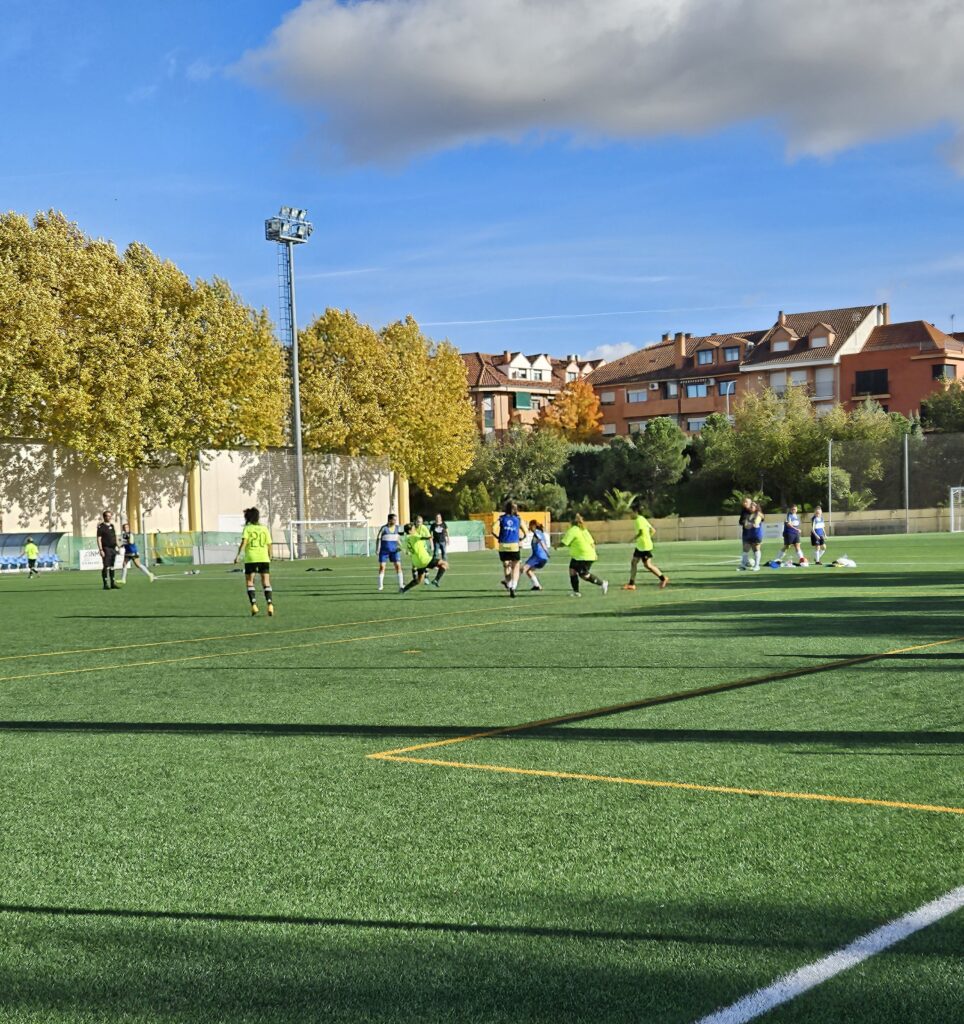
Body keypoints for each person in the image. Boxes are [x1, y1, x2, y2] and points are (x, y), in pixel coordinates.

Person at [233, 507, 274, 616]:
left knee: (250, 581)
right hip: (264, 558)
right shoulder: (264, 528)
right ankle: (270, 604)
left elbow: (244, 543)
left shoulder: (248, 528)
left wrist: (238, 556)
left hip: (251, 558)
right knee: (266, 581)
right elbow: (269, 544)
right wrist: (270, 555)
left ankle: (254, 605)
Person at [559, 513, 608, 597]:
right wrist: (594, 553)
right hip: (579, 556)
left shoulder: (573, 530)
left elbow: (564, 542)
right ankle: (576, 592)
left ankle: (602, 583)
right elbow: (592, 543)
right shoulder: (583, 529)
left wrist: (556, 545)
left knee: (584, 575)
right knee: (572, 571)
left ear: (571, 521)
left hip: (583, 556)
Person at [622, 506, 669, 590]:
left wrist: (632, 539)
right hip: (642, 546)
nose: (630, 515)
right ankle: (631, 584)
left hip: (644, 547)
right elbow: (653, 530)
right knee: (637, 563)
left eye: (631, 512)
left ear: (635, 512)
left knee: (646, 565)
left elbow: (641, 532)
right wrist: (648, 538)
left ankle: (663, 578)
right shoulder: (642, 519)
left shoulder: (638, 520)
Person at [400, 522, 448, 592]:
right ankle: (436, 580)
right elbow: (421, 537)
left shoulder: (406, 540)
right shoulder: (413, 536)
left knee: (419, 580)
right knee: (444, 564)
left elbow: (400, 548)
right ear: (410, 531)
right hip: (425, 559)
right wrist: (428, 537)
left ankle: (404, 589)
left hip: (417, 563)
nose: (415, 530)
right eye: (413, 529)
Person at [493, 500, 527, 598]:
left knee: (506, 565)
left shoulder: (501, 518)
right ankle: (513, 586)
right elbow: (525, 531)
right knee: (516, 566)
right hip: (514, 545)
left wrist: (498, 537)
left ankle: (508, 584)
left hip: (503, 545)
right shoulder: (518, 519)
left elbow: (492, 529)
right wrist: (521, 538)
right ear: (516, 509)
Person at [375, 513, 405, 592]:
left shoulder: (397, 528)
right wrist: (377, 548)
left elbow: (397, 539)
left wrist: (402, 547)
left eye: (396, 519)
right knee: (382, 567)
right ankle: (380, 585)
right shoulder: (384, 528)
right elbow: (378, 538)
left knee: (398, 566)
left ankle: (401, 585)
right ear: (389, 520)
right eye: (394, 519)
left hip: (394, 551)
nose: (395, 521)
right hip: (384, 551)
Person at [522, 519, 550, 591]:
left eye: (530, 526)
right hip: (543, 557)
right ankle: (537, 585)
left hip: (538, 556)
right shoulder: (541, 532)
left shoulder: (537, 533)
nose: (529, 527)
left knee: (522, 569)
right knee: (529, 571)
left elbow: (541, 542)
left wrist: (546, 552)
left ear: (533, 526)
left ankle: (510, 584)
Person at [96, 509, 119, 590]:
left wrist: (117, 546)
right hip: (106, 548)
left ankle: (113, 583)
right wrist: (101, 550)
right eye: (108, 516)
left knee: (112, 566)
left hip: (113, 548)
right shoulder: (101, 527)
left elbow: (115, 536)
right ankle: (105, 584)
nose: (109, 517)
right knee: (106, 566)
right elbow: (99, 539)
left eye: (110, 516)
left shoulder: (112, 526)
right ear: (104, 517)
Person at [740, 502, 765, 572]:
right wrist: (749, 524)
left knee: (756, 549)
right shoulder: (748, 515)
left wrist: (750, 524)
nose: (750, 508)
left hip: (757, 534)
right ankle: (743, 566)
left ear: (756, 507)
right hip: (749, 534)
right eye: (750, 507)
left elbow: (755, 523)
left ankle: (757, 566)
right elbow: (745, 525)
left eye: (752, 507)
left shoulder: (759, 514)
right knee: (745, 550)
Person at [412, 515, 433, 584]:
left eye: (421, 522)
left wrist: (432, 545)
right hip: (415, 549)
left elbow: (429, 537)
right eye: (418, 522)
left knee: (426, 563)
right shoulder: (412, 528)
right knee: (414, 565)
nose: (419, 523)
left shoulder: (423, 527)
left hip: (423, 548)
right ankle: (415, 578)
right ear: (415, 521)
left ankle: (426, 578)